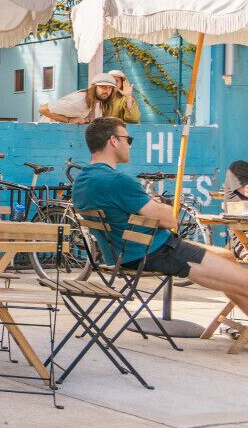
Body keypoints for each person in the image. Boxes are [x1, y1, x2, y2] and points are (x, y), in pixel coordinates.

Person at [72, 117, 248, 318]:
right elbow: (170, 221)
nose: (130, 145)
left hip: (124, 255)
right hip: (157, 252)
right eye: (128, 139)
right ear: (113, 140)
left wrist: (149, 205)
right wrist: (158, 205)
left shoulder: (82, 181)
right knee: (244, 281)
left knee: (225, 256)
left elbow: (121, 210)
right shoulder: (117, 181)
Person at [38, 73, 118, 124]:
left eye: (110, 88)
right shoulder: (78, 101)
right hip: (46, 131)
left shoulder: (98, 102)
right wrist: (69, 120)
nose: (107, 91)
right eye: (103, 87)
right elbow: (42, 109)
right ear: (94, 87)